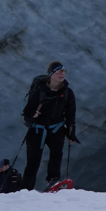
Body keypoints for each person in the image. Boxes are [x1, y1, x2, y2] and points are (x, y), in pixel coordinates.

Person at [21, 61, 79, 190]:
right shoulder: (40, 91)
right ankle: (26, 189)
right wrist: (33, 114)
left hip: (56, 128)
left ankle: (53, 181)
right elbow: (27, 111)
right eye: (58, 71)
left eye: (63, 71)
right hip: (37, 129)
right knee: (33, 161)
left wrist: (71, 133)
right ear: (51, 74)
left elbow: (71, 114)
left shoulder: (68, 93)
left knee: (56, 154)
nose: (61, 74)